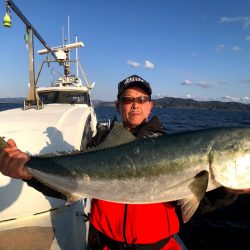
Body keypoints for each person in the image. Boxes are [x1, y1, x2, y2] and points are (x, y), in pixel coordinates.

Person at [0, 74, 184, 249]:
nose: (136, 105)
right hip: (105, 245)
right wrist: (28, 174)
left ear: (151, 105)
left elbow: (199, 200)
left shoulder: (171, 150)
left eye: (142, 99)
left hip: (161, 246)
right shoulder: (99, 145)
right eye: (128, 100)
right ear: (118, 105)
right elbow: (71, 184)